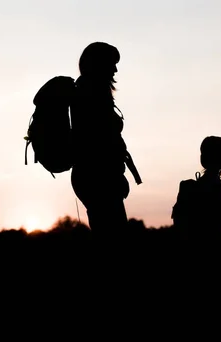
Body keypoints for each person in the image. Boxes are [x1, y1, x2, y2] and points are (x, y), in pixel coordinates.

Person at [70, 42, 142, 251]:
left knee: (107, 238)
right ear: (99, 64)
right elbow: (100, 140)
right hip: (99, 176)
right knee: (114, 243)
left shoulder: (84, 88)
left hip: (92, 175)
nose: (115, 69)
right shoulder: (93, 91)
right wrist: (114, 175)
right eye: (112, 64)